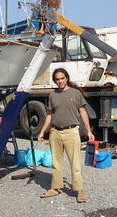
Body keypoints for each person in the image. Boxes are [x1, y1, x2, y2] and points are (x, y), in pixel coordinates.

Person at [37, 67, 95, 203]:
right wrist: (41, 132)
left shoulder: (75, 93)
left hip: (71, 132)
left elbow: (83, 112)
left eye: (62, 78)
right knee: (56, 163)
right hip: (55, 132)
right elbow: (49, 115)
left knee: (75, 164)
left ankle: (79, 191)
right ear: (54, 81)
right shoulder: (52, 95)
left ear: (67, 78)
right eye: (57, 79)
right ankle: (55, 188)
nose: (60, 81)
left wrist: (89, 131)